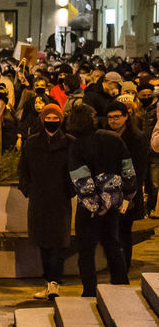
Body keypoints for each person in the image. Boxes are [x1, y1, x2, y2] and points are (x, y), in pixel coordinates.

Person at [66, 102, 134, 296]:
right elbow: (128, 170)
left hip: (89, 209)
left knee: (86, 251)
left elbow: (81, 180)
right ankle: (121, 284)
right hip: (113, 203)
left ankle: (89, 291)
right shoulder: (112, 139)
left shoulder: (76, 146)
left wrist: (95, 206)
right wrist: (124, 196)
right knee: (112, 244)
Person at [18, 103, 74, 300]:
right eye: (48, 119)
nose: (52, 122)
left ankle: (54, 282)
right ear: (42, 120)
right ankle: (48, 281)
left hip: (60, 199)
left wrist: (70, 190)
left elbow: (77, 169)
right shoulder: (32, 143)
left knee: (59, 242)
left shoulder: (69, 142)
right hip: (39, 199)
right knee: (43, 242)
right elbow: (23, 169)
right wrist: (28, 189)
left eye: (55, 119)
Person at [105, 99, 147, 272]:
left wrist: (133, 192)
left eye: (117, 117)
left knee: (124, 230)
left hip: (128, 192)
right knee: (111, 230)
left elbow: (140, 167)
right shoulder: (105, 135)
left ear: (126, 117)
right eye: (110, 117)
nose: (113, 120)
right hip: (109, 190)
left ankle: (124, 265)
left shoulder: (136, 137)